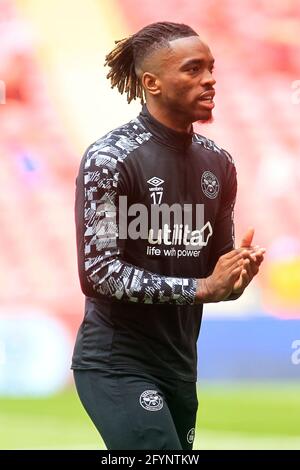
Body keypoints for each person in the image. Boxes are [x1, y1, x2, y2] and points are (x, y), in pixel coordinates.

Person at [71, 21, 265, 450]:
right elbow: (100, 274)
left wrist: (234, 278)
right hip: (116, 363)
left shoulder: (220, 163)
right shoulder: (111, 158)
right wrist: (201, 287)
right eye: (193, 69)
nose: (210, 78)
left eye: (211, 68)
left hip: (179, 365)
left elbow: (214, 282)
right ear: (151, 82)